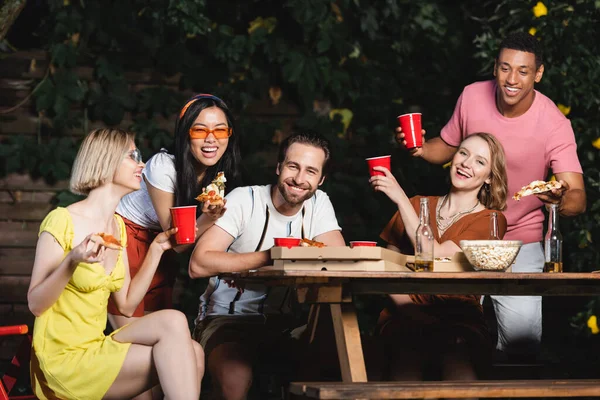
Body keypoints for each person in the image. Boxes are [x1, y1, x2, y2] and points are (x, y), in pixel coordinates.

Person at [396, 32, 586, 357]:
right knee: (447, 332)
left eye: (523, 71)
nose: (511, 80)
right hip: (465, 235)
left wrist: (558, 200)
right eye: (504, 68)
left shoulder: (553, 121)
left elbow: (578, 197)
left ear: (538, 74)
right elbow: (448, 147)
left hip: (519, 242)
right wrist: (419, 149)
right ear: (495, 67)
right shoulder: (472, 96)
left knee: (521, 346)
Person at [27, 128, 204, 400]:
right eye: (132, 156)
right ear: (106, 161)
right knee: (186, 356)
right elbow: (36, 304)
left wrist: (155, 250)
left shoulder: (117, 227)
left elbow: (127, 305)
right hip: (63, 361)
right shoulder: (61, 221)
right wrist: (72, 261)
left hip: (96, 346)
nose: (141, 164)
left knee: (184, 336)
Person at [189, 131, 346, 400]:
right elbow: (198, 264)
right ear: (278, 167)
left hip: (287, 324)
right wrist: (270, 256)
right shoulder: (244, 199)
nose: (299, 179)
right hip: (228, 320)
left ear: (321, 180)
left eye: (310, 171)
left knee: (340, 362)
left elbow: (341, 261)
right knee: (235, 380)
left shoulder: (319, 204)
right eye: (293, 166)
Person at [371, 133, 508, 383]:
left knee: (456, 349)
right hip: (405, 309)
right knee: (406, 347)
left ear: (489, 177)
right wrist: (408, 310)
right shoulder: (415, 204)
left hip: (459, 316)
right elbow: (385, 266)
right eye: (463, 153)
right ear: (453, 158)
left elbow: (432, 254)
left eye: (480, 161)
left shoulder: (492, 220)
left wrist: (400, 197)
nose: (466, 163)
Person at [108, 93, 242, 330]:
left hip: (160, 247)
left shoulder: (218, 173)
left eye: (220, 131)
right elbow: (180, 242)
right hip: (126, 239)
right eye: (200, 130)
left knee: (160, 336)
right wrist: (209, 217)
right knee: (131, 335)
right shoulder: (163, 165)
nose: (211, 139)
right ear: (185, 134)